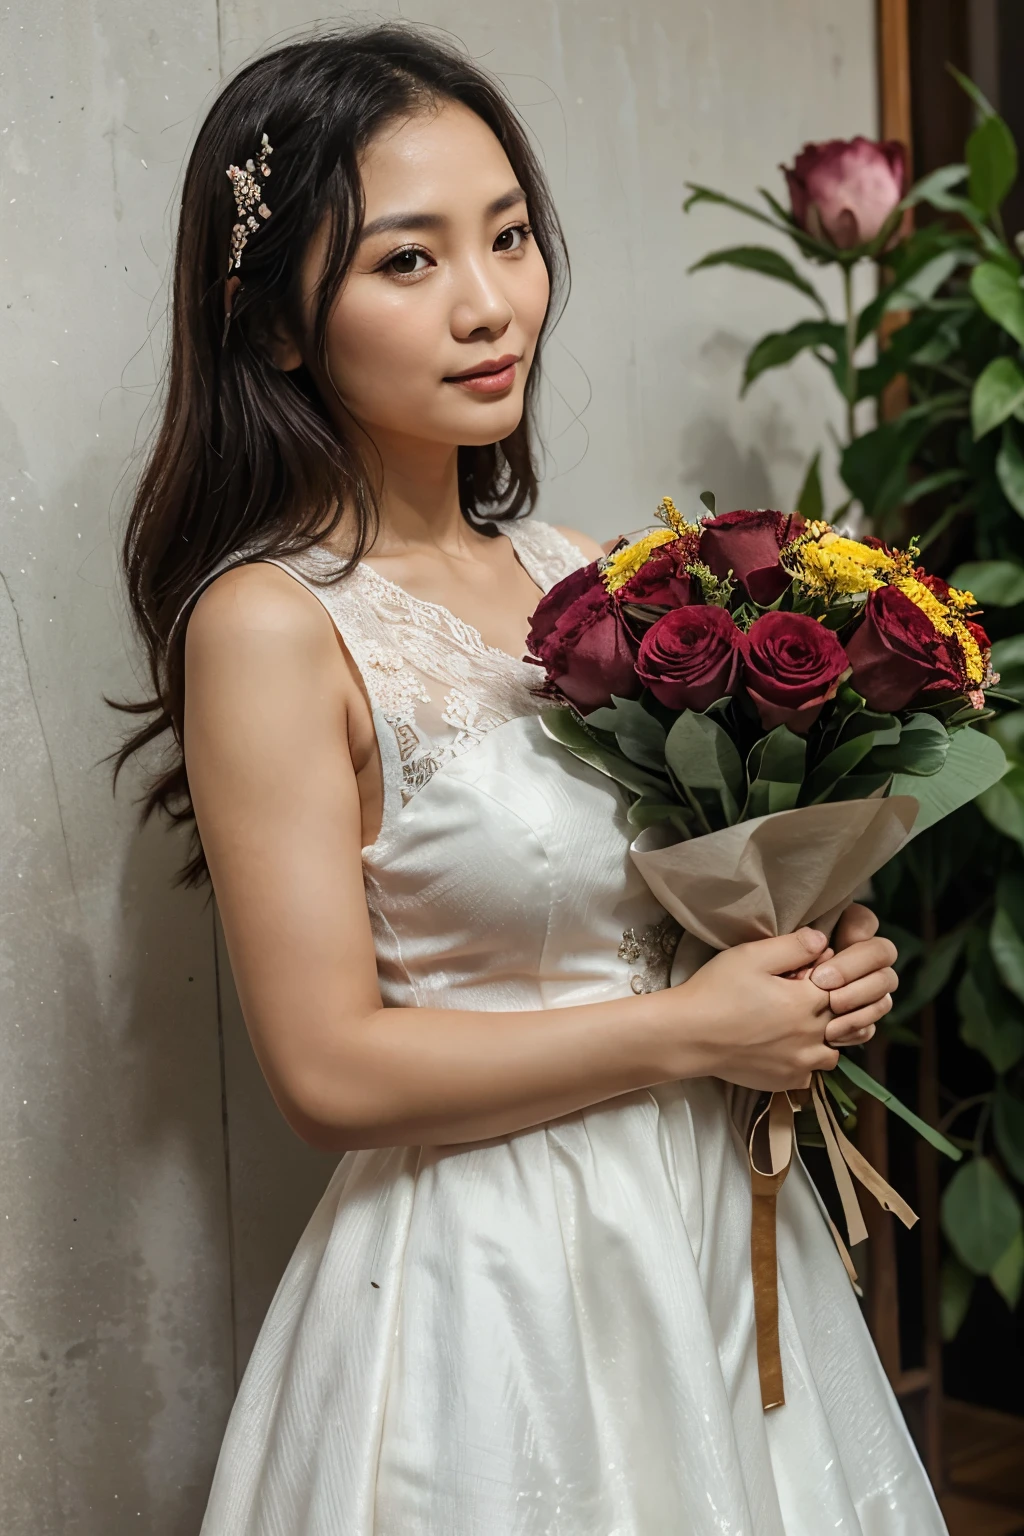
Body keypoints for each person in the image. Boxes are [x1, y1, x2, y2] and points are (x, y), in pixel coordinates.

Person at [116, 23, 947, 1536]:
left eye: (506, 236)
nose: (491, 302)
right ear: (282, 324)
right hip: (489, 1283)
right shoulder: (269, 623)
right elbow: (328, 1072)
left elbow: (664, 907)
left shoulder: (590, 574)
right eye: (408, 262)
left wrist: (806, 962)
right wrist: (695, 1027)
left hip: (699, 1225)